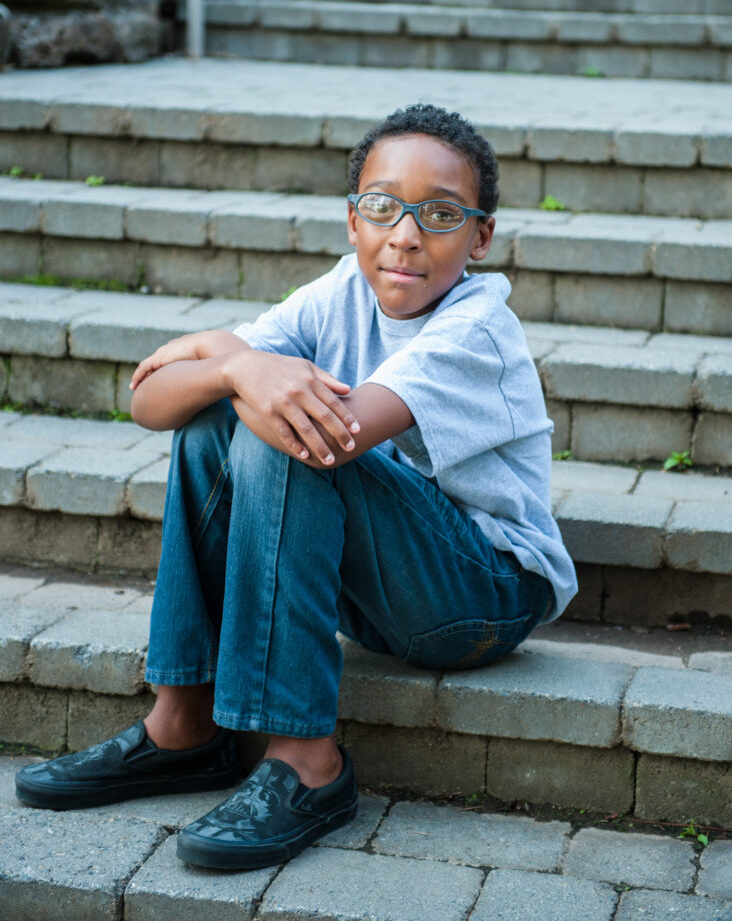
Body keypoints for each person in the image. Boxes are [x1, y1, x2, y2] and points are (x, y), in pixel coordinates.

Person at [15, 104, 577, 871]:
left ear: (480, 237)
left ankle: (309, 762)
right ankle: (183, 726)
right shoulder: (341, 291)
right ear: (354, 221)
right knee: (216, 421)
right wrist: (234, 366)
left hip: (482, 594)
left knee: (295, 433)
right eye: (383, 207)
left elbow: (334, 436)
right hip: (381, 586)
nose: (406, 234)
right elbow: (151, 402)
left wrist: (228, 361)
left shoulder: (476, 326)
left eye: (441, 215)